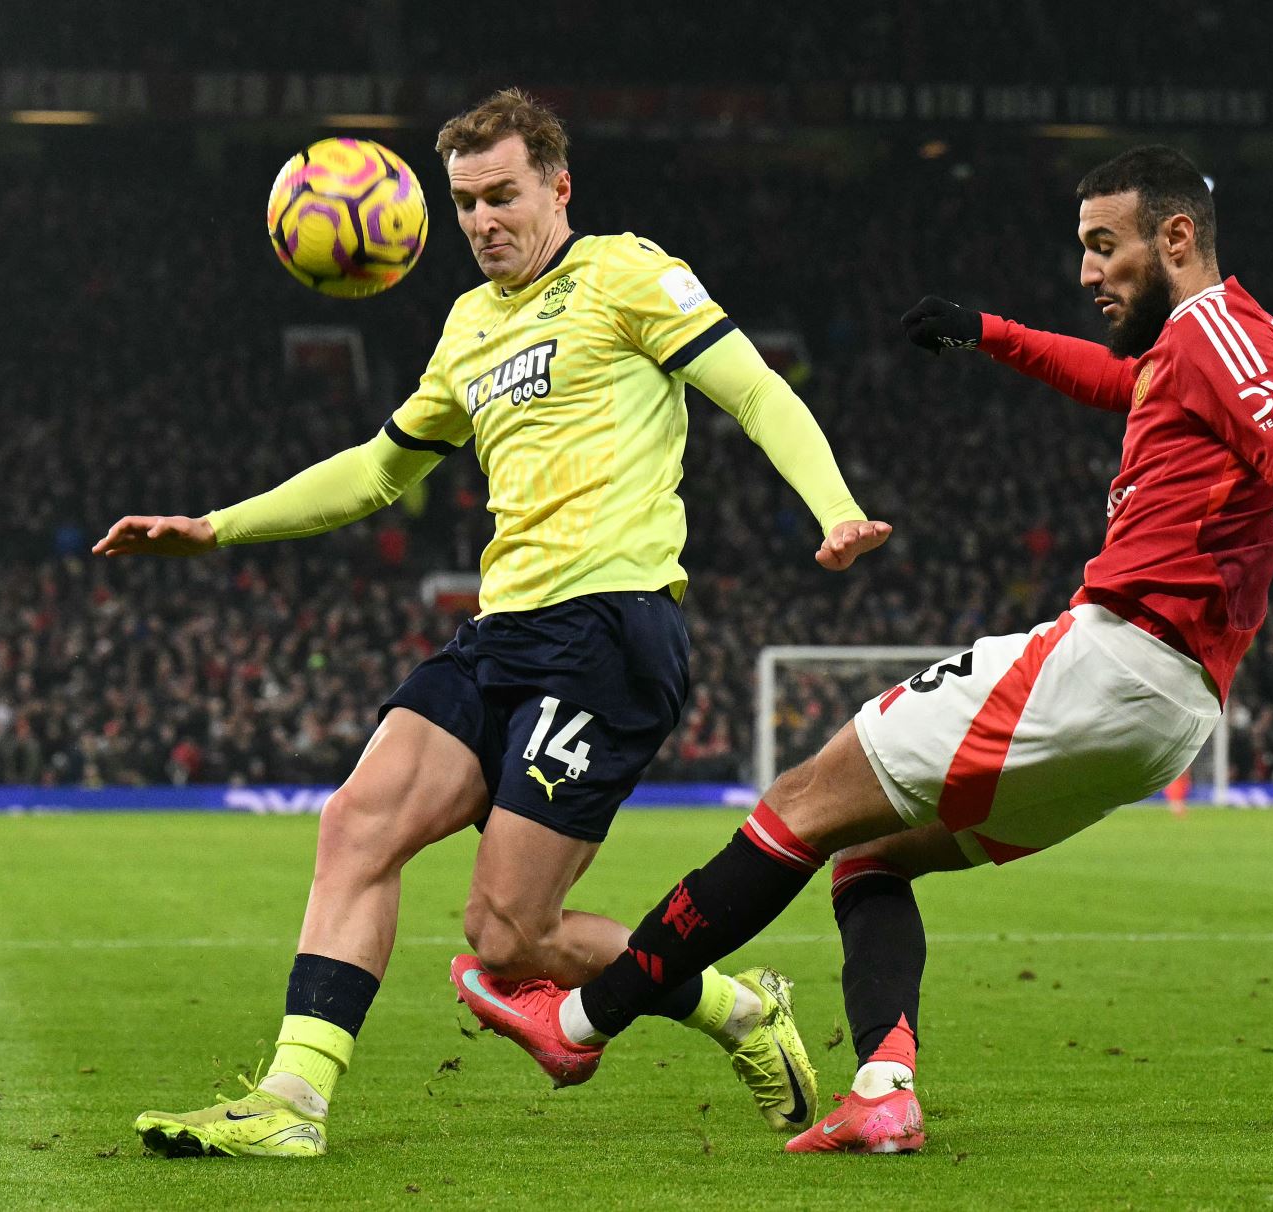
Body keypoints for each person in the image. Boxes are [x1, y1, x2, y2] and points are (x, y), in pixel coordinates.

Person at [467, 145, 1273, 1154]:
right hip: (1168, 715)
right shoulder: (1189, 347)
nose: (1087, 272)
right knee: (867, 856)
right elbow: (1119, 382)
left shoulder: (1224, 333)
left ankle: (574, 1025)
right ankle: (882, 1089)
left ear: (1177, 237)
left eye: (1105, 247)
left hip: (1112, 658)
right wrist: (989, 332)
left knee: (800, 801)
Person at [98, 88, 891, 1158]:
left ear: (558, 187)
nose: (481, 221)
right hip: (501, 632)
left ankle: (742, 1012)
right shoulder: (469, 325)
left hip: (609, 633)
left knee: (510, 937)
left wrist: (834, 509)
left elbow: (753, 391)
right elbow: (380, 470)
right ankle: (293, 1104)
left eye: (502, 196)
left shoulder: (624, 273)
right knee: (356, 823)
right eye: (464, 202)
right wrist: (216, 527)